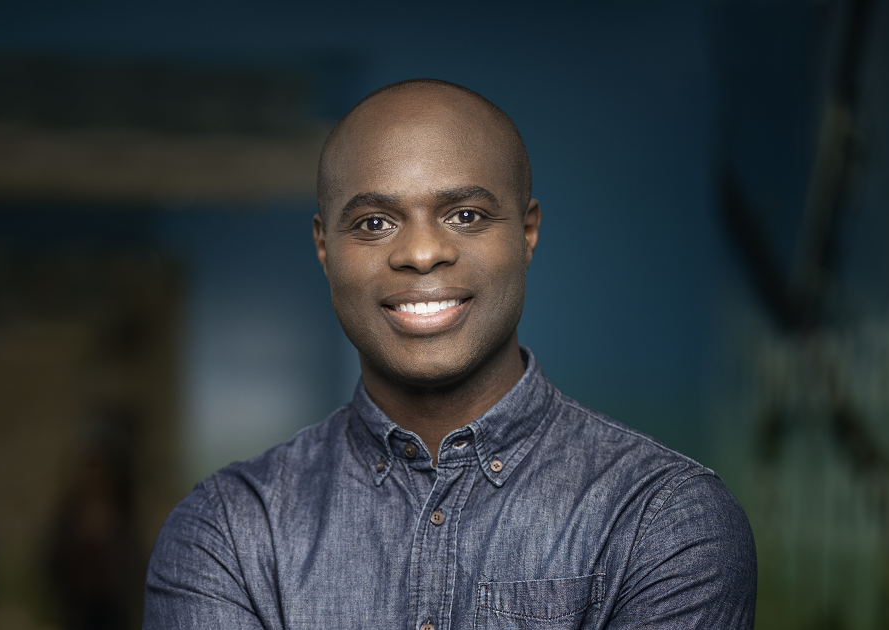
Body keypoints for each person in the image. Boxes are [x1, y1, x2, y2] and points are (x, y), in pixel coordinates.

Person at [142, 79, 756, 629]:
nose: (421, 253)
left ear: (527, 233)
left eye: (465, 215)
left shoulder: (664, 518)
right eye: (375, 223)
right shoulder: (225, 531)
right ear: (325, 249)